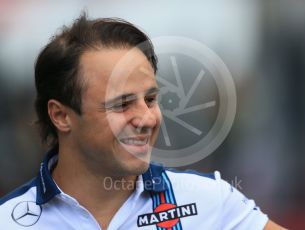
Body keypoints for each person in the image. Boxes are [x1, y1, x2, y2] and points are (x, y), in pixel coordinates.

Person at [0, 13, 285, 230]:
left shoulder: (211, 203)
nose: (147, 119)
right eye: (121, 104)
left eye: (150, 99)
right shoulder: (9, 220)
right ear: (61, 116)